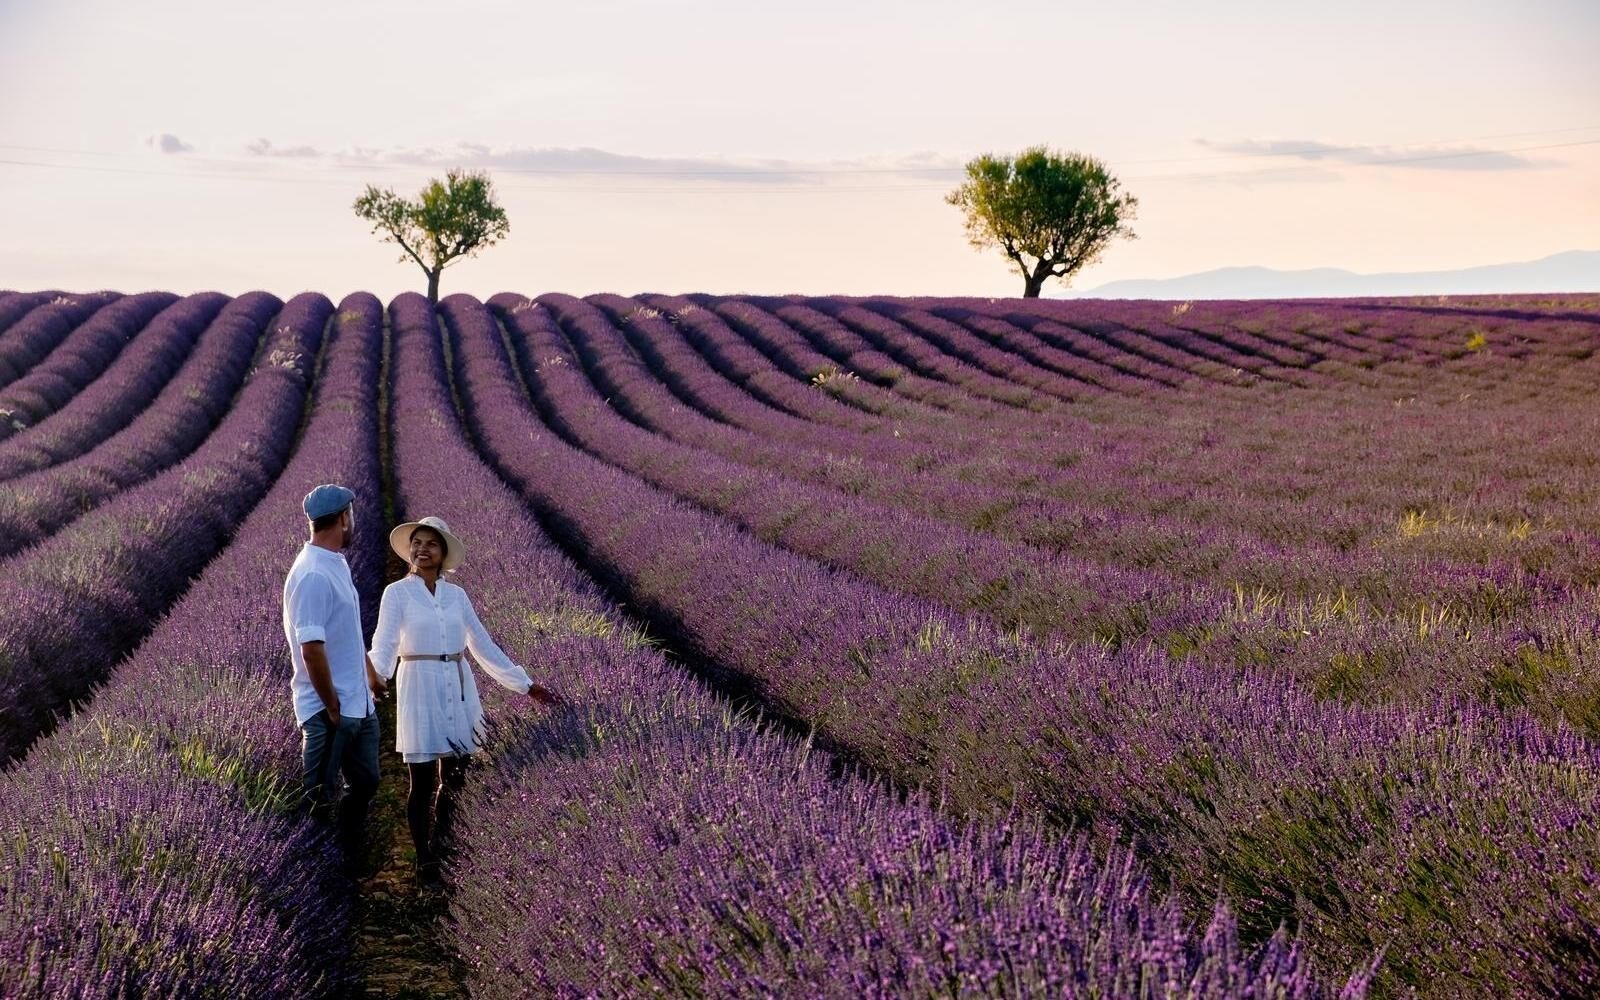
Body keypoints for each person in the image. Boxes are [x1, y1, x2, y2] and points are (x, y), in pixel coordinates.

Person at [367, 515, 559, 892]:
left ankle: (444, 843)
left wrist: (525, 684)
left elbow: (482, 645)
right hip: (419, 684)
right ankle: (424, 860)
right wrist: (372, 680)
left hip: (457, 683)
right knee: (421, 781)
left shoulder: (457, 596)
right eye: (417, 543)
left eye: (431, 544)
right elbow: (385, 643)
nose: (422, 549)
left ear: (443, 554)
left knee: (456, 776)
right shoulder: (397, 594)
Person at [282, 483, 384, 876]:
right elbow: (312, 650)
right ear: (343, 518)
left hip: (358, 703)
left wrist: (369, 675)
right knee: (319, 798)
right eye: (352, 516)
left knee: (368, 781)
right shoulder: (310, 575)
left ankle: (346, 855)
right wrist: (332, 705)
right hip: (329, 710)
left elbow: (347, 632)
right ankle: (322, 873)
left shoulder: (335, 562)